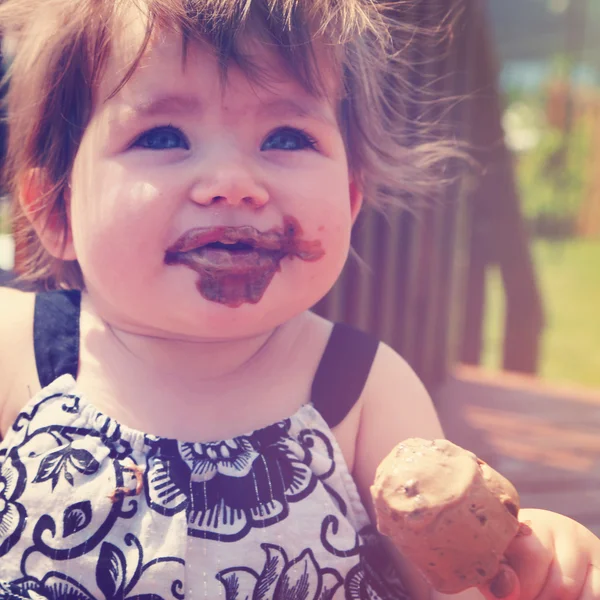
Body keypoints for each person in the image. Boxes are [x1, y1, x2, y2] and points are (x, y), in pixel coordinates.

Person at [0, 1, 597, 598]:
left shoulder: (362, 389)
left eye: (286, 136)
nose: (232, 183)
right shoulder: (16, 355)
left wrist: (517, 568)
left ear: (351, 196)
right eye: (163, 136)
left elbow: (449, 580)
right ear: (55, 210)